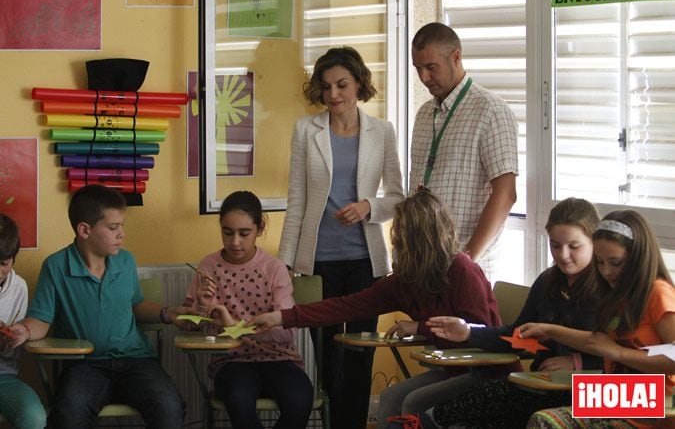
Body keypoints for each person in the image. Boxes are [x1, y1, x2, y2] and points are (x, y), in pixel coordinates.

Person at [251, 190, 504, 429]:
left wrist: (420, 327)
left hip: (485, 373)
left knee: (412, 404)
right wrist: (282, 317)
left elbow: (480, 334)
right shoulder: (406, 280)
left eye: (401, 235)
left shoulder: (463, 270)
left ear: (420, 239)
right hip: (450, 371)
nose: (395, 240)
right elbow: (345, 307)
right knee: (391, 397)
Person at [277, 46, 405, 428]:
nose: (333, 94)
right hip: (319, 262)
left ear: (359, 84)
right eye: (326, 86)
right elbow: (296, 199)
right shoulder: (306, 129)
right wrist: (285, 262)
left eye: (342, 85)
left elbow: (397, 198)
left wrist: (368, 206)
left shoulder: (382, 132)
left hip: (366, 263)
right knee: (329, 360)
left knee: (361, 356)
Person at [0, 185, 187, 429]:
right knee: (68, 414)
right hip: (84, 366)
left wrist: (167, 313)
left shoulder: (126, 261)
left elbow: (136, 304)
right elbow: (41, 319)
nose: (121, 234)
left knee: (170, 408)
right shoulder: (56, 266)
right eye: (113, 228)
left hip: (135, 361)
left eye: (122, 226)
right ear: (84, 230)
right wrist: (24, 331)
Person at [427, 197, 605, 428]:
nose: (562, 255)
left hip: (585, 394)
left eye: (574, 246)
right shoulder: (547, 281)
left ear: (594, 242)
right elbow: (518, 336)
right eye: (555, 245)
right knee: (448, 412)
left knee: (493, 406)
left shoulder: (608, 288)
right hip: (540, 385)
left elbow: (620, 352)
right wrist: (469, 333)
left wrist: (578, 362)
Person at [521, 210, 675, 428]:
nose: (606, 271)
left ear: (638, 257)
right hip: (618, 393)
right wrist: (551, 330)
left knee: (545, 422)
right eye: (600, 262)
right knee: (533, 406)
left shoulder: (658, 293)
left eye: (616, 262)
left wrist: (618, 352)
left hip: (653, 400)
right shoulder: (617, 295)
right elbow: (598, 342)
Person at [182, 190, 314, 429]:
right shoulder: (209, 266)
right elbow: (188, 326)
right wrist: (200, 307)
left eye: (244, 233)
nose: (235, 242)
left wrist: (235, 326)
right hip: (231, 362)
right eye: (227, 232)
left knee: (300, 400)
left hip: (280, 359)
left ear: (260, 229)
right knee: (239, 401)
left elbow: (286, 332)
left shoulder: (274, 269)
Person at [409, 22, 518, 279]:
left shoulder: (491, 111)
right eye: (418, 69)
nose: (424, 78)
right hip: (425, 264)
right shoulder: (424, 113)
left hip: (467, 269)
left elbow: (506, 194)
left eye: (431, 67)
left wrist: (466, 260)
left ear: (456, 57)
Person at [0, 214, 47, 429]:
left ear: (13, 259)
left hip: (4, 377)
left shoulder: (18, 287)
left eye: (3, 263)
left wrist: (12, 338)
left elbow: (13, 351)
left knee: (34, 417)